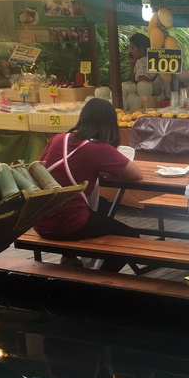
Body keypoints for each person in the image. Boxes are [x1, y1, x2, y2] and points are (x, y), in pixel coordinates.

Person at [34, 98, 144, 270]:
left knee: (104, 206)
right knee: (131, 238)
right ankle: (98, 280)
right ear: (110, 125)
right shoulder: (99, 148)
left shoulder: (58, 139)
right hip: (67, 224)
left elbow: (43, 169)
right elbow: (136, 174)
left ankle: (70, 260)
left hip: (40, 220)